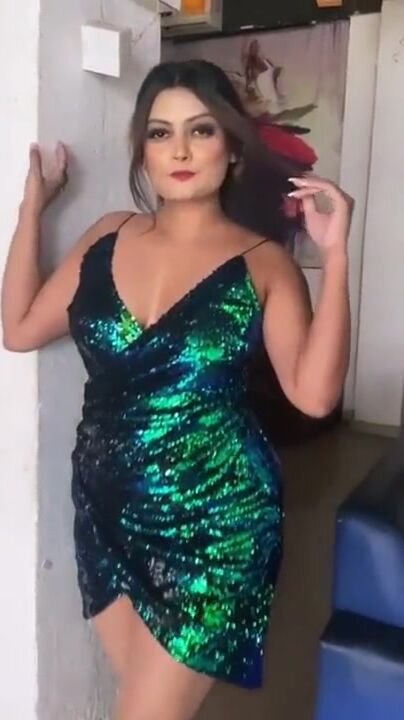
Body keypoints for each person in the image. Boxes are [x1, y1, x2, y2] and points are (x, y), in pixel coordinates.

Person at [1, 59, 352, 720]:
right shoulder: (107, 236)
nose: (181, 150)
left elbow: (313, 396)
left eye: (202, 130)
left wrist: (334, 259)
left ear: (233, 147)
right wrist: (32, 210)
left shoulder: (265, 263)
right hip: (106, 514)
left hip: (216, 524)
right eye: (161, 133)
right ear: (143, 150)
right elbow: (19, 329)